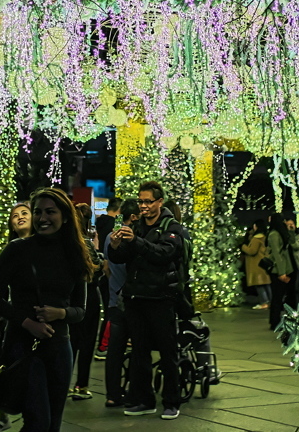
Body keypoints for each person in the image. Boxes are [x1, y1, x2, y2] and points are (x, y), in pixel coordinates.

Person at [0, 187, 97, 432]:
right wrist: (27, 322)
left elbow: (81, 309)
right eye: (37, 212)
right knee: (38, 422)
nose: (42, 218)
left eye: (50, 212)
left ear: (65, 216)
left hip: (59, 348)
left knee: (53, 424)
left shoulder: (75, 253)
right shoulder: (17, 249)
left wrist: (62, 313)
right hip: (23, 347)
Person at [108, 180, 186, 420]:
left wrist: (135, 241)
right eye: (140, 201)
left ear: (159, 202)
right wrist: (114, 245)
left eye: (147, 202)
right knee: (139, 352)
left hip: (160, 298)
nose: (143, 206)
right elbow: (121, 258)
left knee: (167, 351)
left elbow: (164, 254)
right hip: (135, 298)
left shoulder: (171, 227)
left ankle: (172, 401)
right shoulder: (137, 226)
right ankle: (144, 399)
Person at [0, 203, 33, 432]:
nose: (20, 217)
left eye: (25, 213)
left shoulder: (42, 249)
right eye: (15, 215)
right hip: (11, 320)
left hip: (35, 320)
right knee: (6, 367)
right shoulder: (11, 249)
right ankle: (3, 416)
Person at [102, 198, 139, 408]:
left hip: (114, 300)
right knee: (137, 349)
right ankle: (134, 391)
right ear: (133, 217)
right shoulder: (131, 237)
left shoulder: (109, 236)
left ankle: (112, 394)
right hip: (132, 301)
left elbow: (107, 267)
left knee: (114, 352)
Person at [69, 203, 102, 400]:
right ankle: (81, 385)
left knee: (71, 340)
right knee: (87, 342)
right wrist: (97, 249)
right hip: (88, 296)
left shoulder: (66, 241)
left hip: (70, 298)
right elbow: (96, 265)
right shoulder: (86, 242)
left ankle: (64, 381)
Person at [93, 198, 122, 362]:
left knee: (108, 311)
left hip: (102, 277)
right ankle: (103, 347)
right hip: (111, 275)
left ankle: (102, 346)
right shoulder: (115, 225)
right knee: (112, 311)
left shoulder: (99, 223)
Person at [266, 212, 299, 331]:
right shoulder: (274, 235)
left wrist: (291, 231)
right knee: (277, 296)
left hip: (286, 268)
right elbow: (277, 255)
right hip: (279, 270)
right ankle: (274, 321)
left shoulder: (279, 233)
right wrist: (282, 273)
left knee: (284, 295)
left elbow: (292, 243)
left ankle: (282, 319)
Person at [240, 219, 272, 309]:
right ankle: (270, 301)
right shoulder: (265, 237)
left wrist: (243, 246)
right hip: (263, 264)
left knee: (259, 284)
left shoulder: (256, 238)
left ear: (256, 226)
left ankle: (264, 302)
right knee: (266, 284)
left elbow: (252, 251)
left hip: (256, 265)